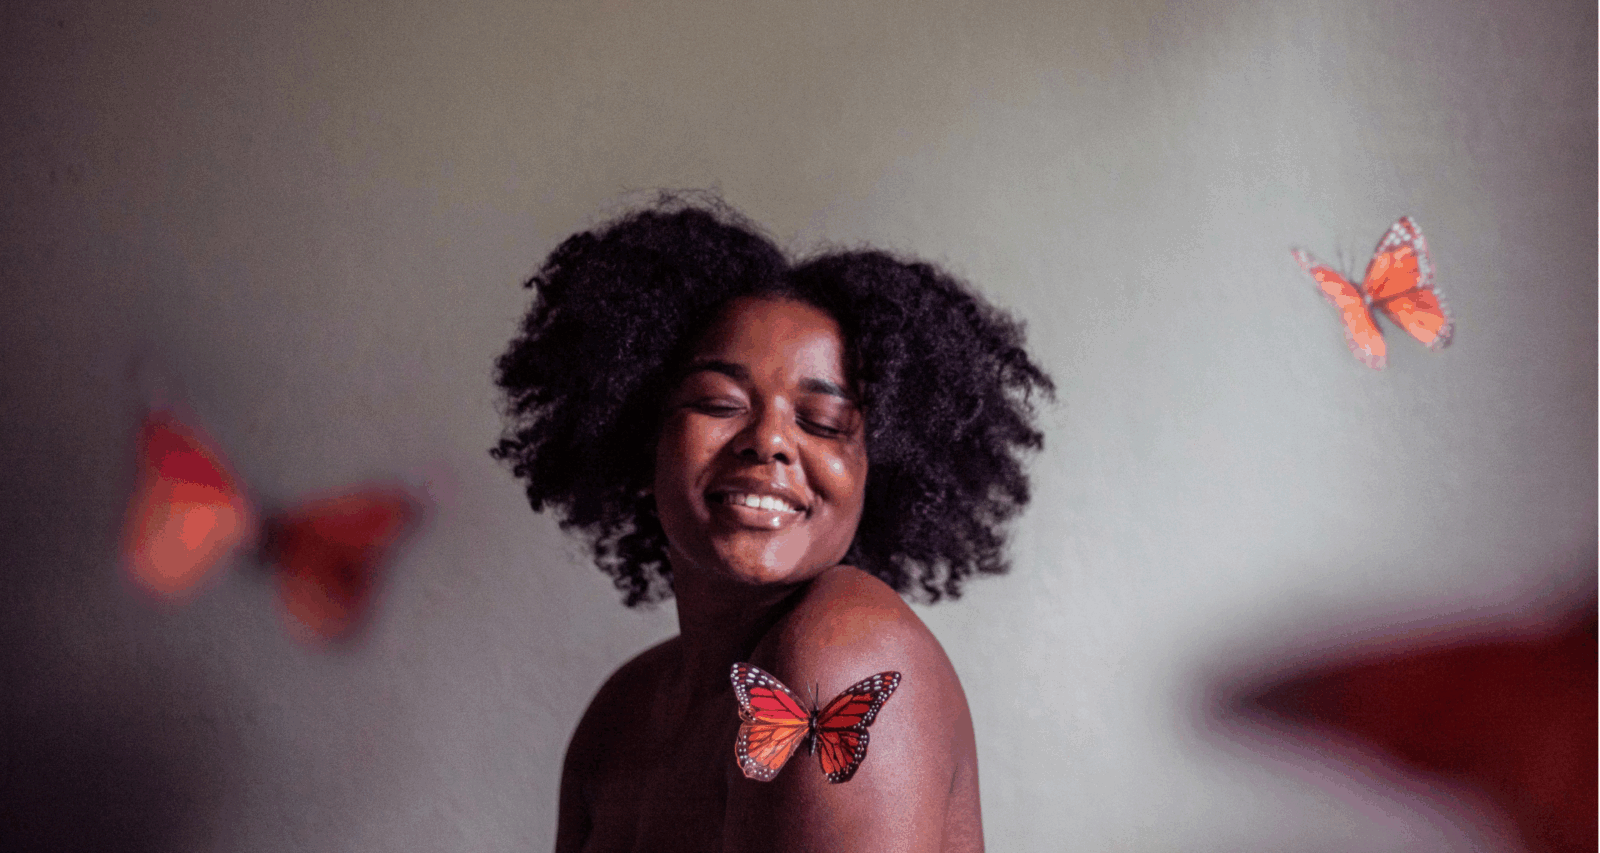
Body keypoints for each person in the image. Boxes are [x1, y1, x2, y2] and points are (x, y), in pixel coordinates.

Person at [492, 195, 1053, 852]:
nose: (769, 441)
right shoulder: (624, 709)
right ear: (642, 437)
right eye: (718, 403)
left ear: (880, 470)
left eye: (822, 423)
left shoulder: (842, 650)